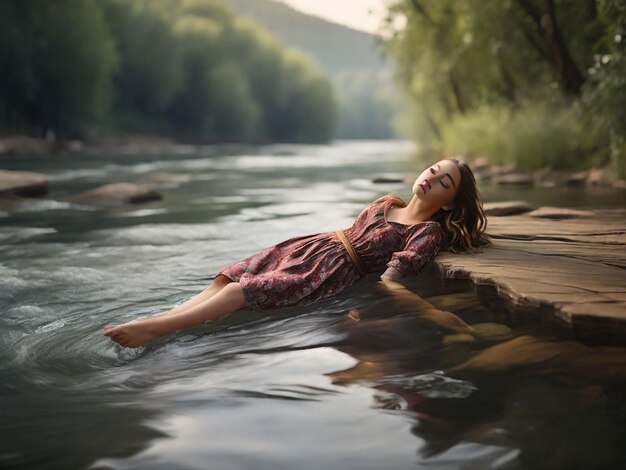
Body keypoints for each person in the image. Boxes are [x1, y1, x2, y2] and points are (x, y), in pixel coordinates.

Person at [103, 158, 489, 348]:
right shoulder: (389, 200)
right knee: (229, 276)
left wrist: (431, 312)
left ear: (449, 202)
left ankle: (155, 330)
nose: (431, 177)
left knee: (244, 292)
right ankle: (165, 317)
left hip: (331, 271)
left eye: (444, 181)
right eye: (434, 169)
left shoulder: (427, 232)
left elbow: (392, 280)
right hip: (311, 246)